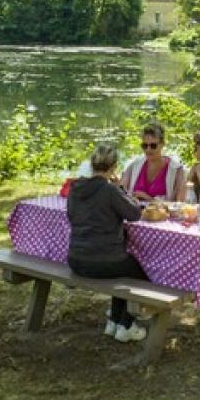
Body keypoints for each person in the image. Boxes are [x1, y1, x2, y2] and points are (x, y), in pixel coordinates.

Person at [67, 143, 148, 343]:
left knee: (123, 269)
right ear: (113, 167)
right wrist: (120, 188)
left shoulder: (75, 188)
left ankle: (114, 321)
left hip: (76, 259)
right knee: (141, 273)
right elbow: (135, 213)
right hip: (102, 261)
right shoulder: (109, 190)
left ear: (92, 165)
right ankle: (126, 325)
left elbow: (71, 216)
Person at [121, 121, 186, 202]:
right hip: (134, 213)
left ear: (162, 144)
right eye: (144, 146)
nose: (148, 149)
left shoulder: (176, 169)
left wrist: (149, 199)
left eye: (153, 146)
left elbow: (180, 205)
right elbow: (121, 195)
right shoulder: (134, 165)